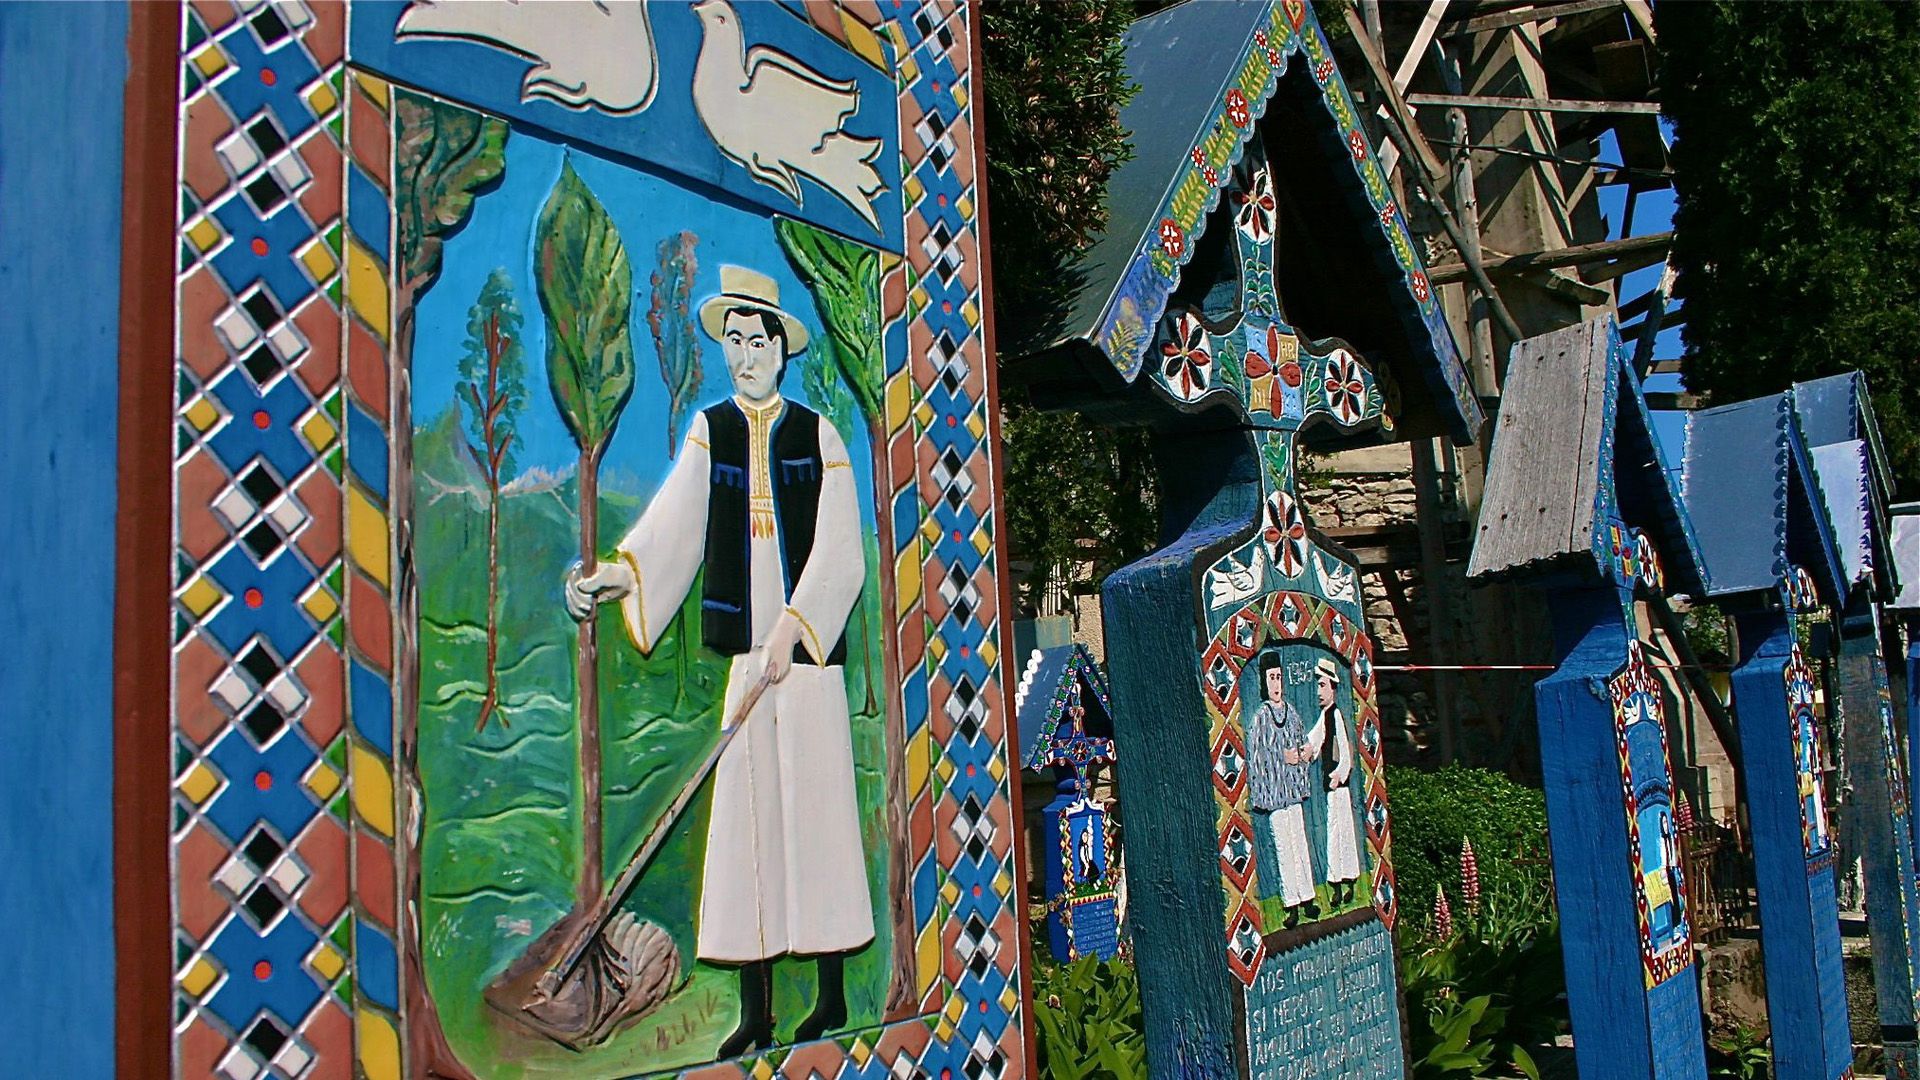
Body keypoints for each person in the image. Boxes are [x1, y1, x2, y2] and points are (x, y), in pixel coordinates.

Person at [566, 265, 872, 1057]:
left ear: (780, 348)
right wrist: (620, 574)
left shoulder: (818, 435)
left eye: (754, 341)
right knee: (751, 833)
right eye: (731, 342)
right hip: (748, 659)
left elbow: (841, 550)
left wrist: (794, 631)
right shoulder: (713, 429)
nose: (742, 356)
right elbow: (677, 519)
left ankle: (835, 995)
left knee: (816, 822)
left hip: (806, 666)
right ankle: (758, 1010)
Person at [1246, 654, 1320, 926]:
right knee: (1283, 847)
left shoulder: (1292, 714)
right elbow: (1257, 758)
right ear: (1264, 683)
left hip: (1293, 790)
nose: (1276, 684)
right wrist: (1281, 758)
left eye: (1279, 677)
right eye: (1271, 678)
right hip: (1275, 794)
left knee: (1299, 842)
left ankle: (1308, 897)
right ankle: (1291, 904)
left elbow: (1302, 745)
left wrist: (1302, 754)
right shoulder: (1261, 718)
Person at [1315, 657, 1363, 905]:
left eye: (1322, 685)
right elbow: (1314, 740)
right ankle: (1335, 883)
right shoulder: (1324, 717)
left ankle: (1350, 883)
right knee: (1333, 836)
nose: (1319, 691)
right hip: (1330, 788)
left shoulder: (1337, 717)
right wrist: (1301, 752)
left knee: (1344, 833)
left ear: (1332, 687)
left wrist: (1338, 775)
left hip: (1339, 787)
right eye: (1317, 686)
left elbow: (1346, 753)